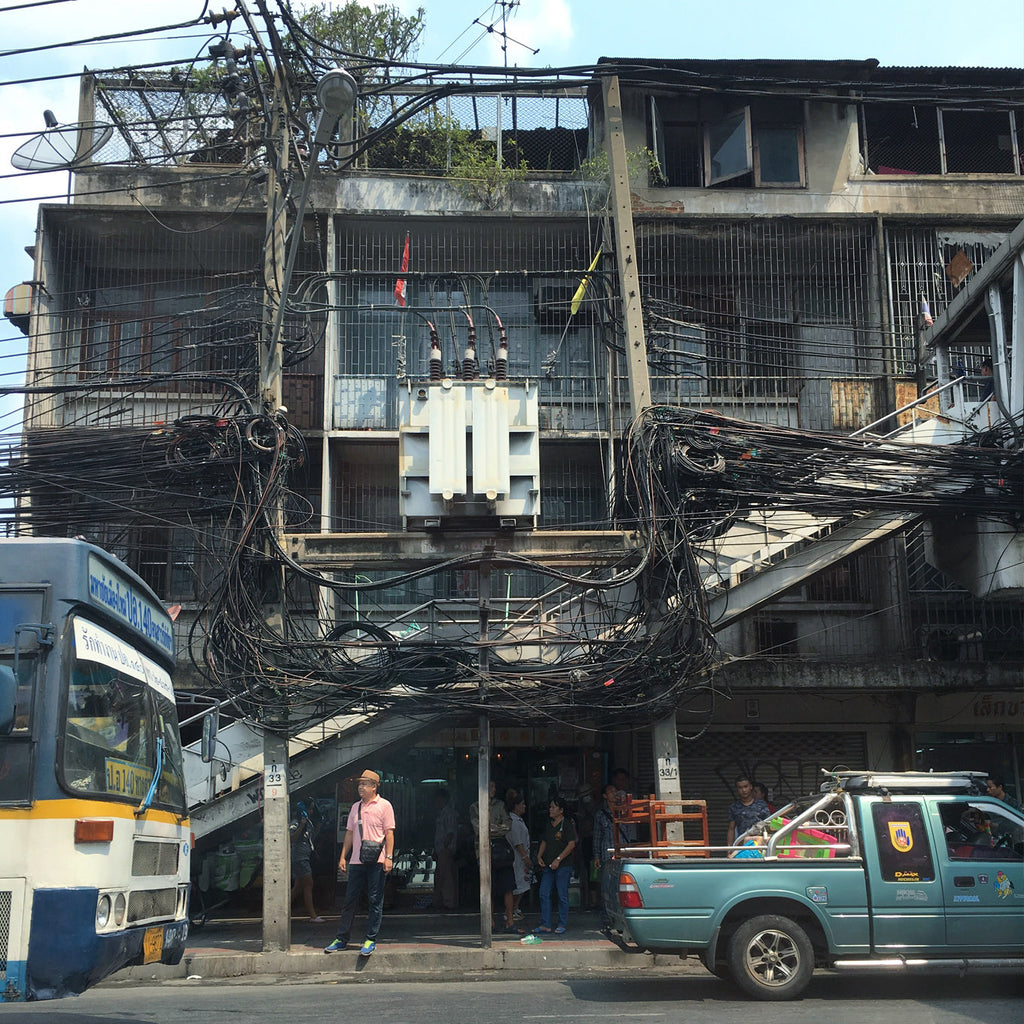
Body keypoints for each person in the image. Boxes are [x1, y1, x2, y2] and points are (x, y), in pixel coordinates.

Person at [324, 769, 395, 957]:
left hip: (377, 861)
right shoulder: (355, 807)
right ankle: (341, 938)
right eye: (359, 784)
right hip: (357, 861)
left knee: (375, 900)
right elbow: (349, 833)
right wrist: (342, 857)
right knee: (349, 900)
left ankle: (370, 938)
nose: (360, 788)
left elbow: (389, 834)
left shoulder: (385, 806)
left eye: (364, 784)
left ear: (374, 786)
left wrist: (389, 858)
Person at [533, 796, 577, 935]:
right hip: (548, 865)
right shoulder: (549, 824)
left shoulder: (567, 824)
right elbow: (545, 841)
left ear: (561, 810)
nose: (550, 809)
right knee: (543, 893)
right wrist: (539, 856)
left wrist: (558, 859)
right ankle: (545, 924)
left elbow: (571, 844)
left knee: (562, 894)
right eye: (550, 807)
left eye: (553, 807)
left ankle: (562, 923)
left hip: (563, 866)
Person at [592, 783, 620, 931]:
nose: (614, 793)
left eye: (615, 790)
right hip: (607, 855)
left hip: (623, 854)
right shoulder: (600, 814)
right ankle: (607, 918)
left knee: (620, 888)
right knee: (607, 888)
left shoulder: (624, 811)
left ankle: (620, 918)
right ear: (605, 796)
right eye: (611, 791)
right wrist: (596, 856)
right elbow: (597, 836)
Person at [289, 801, 323, 923]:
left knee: (298, 887)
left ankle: (283, 910)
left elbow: (312, 835)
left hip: (306, 855)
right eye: (309, 809)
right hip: (299, 857)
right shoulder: (296, 823)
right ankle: (313, 915)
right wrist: (301, 826)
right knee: (308, 884)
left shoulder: (308, 823)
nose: (311, 812)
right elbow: (291, 839)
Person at [507, 790, 532, 923]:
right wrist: (525, 857)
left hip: (521, 857)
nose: (524, 806)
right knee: (519, 884)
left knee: (524, 883)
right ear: (516, 806)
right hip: (518, 858)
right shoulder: (514, 822)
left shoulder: (518, 820)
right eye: (522, 804)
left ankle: (515, 908)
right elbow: (517, 842)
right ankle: (513, 909)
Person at [726, 775, 772, 846]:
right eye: (740, 787)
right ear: (737, 789)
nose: (744, 790)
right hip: (742, 844)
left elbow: (768, 824)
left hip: (759, 844)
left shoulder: (761, 805)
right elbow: (731, 829)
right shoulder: (734, 807)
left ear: (750, 787)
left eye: (745, 786)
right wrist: (729, 848)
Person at [432, 788, 458, 912]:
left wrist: (444, 849)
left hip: (445, 850)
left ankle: (448, 903)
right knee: (439, 876)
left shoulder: (448, 814)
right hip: (440, 849)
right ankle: (439, 901)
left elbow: (450, 833)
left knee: (445, 877)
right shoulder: (440, 813)